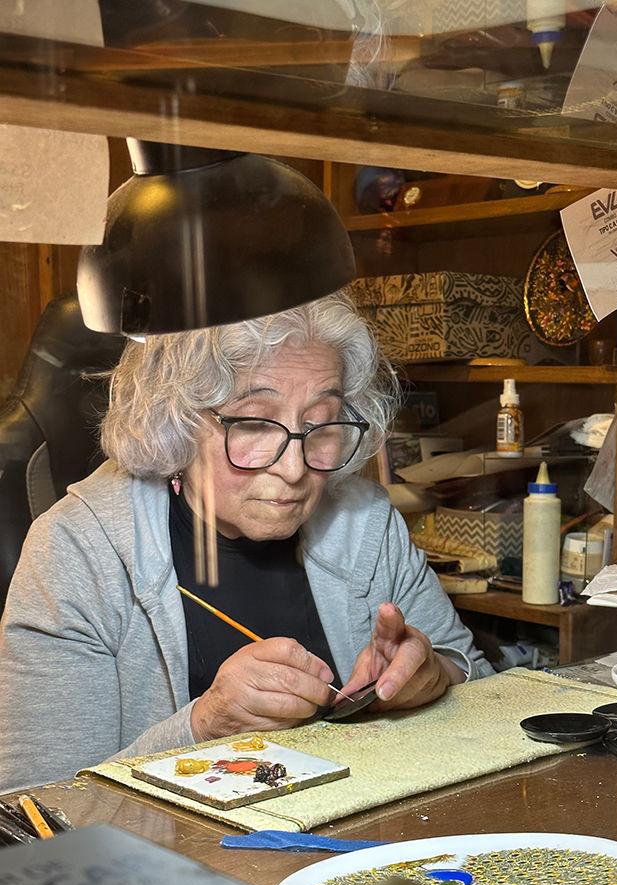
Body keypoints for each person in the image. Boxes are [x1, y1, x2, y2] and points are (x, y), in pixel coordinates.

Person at [0, 294, 486, 790]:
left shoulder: (365, 522)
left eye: (321, 426)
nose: (295, 469)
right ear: (177, 421)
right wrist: (203, 727)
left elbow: (484, 689)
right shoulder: (78, 550)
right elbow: (32, 809)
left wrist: (436, 676)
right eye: (254, 423)